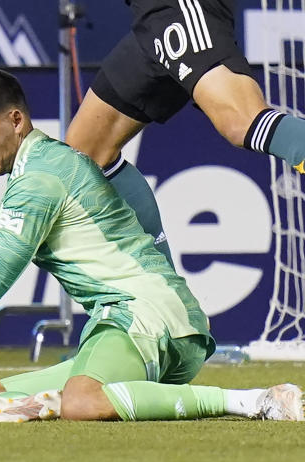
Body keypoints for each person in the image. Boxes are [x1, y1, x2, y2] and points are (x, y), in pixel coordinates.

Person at [0, 67, 304, 423]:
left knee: (82, 402)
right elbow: (1, 227)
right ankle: (85, 393)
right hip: (157, 322)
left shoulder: (37, 181)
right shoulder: (45, 163)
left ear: (15, 120)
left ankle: (253, 400)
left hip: (141, 318)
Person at [64, 0, 305, 265]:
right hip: (153, 19)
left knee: (241, 120)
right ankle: (166, 298)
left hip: (175, 7)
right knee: (87, 151)